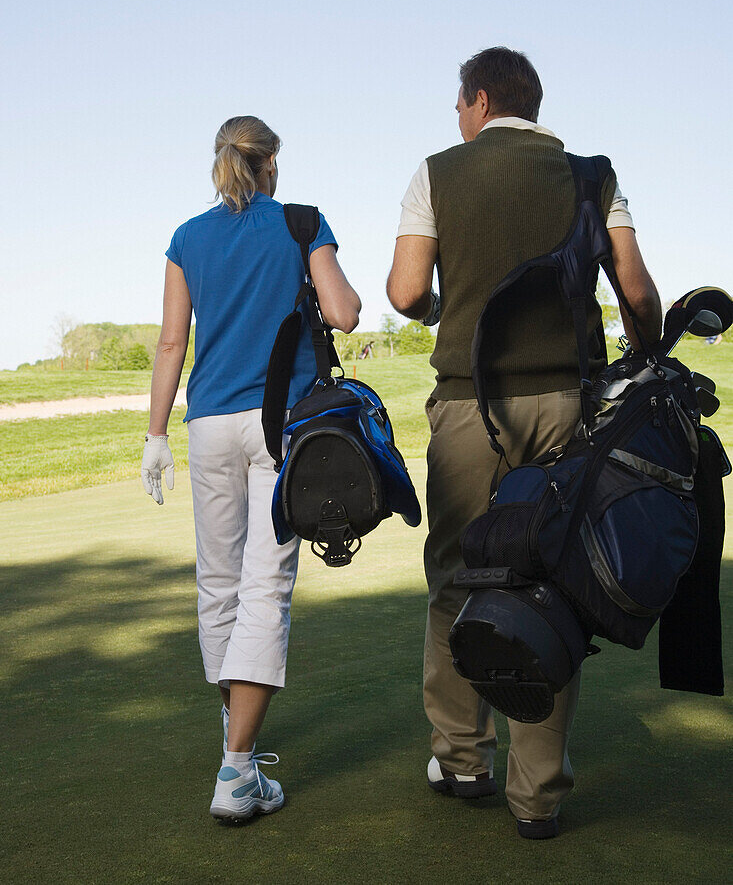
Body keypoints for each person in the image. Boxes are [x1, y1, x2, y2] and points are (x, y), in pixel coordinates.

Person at [386, 47, 661, 839]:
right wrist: (642, 355)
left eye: (457, 103)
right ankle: (536, 796)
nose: (456, 116)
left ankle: (462, 758)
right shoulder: (591, 174)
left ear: (477, 101)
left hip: (471, 408)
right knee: (552, 582)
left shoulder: (437, 171)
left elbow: (406, 292)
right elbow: (635, 289)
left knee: (456, 579)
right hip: (570, 408)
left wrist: (444, 302)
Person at [141, 115, 360, 823]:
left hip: (205, 427)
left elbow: (173, 342)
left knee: (219, 583)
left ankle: (234, 730)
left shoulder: (186, 237)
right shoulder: (301, 222)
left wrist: (154, 434)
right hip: (278, 426)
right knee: (266, 586)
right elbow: (345, 313)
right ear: (268, 164)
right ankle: (237, 770)